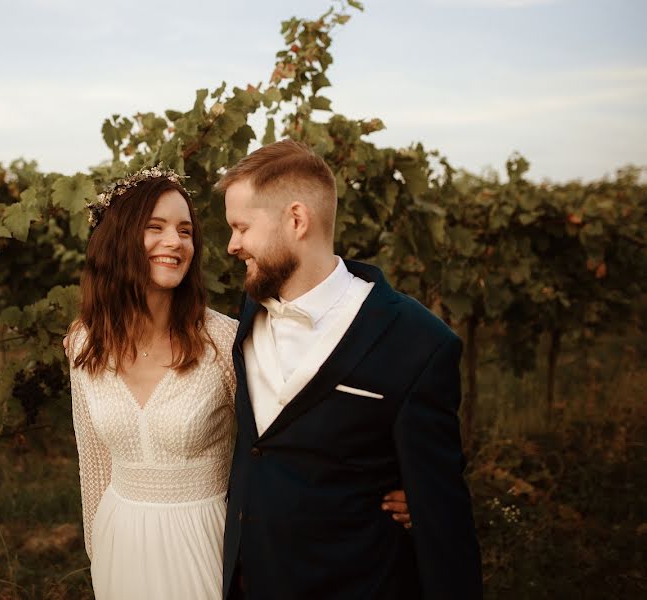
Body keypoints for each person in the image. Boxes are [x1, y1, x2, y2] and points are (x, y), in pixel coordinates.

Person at [65, 166, 412, 600]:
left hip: (205, 543)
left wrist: (402, 484)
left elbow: (294, 440)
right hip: (121, 545)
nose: (175, 242)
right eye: (155, 228)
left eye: (185, 230)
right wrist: (101, 555)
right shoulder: (83, 342)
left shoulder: (224, 341)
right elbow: (94, 464)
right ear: (117, 241)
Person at [218, 140, 482, 600]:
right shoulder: (250, 312)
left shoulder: (418, 343)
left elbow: (444, 521)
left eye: (241, 227)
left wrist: (423, 502)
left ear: (296, 220)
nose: (231, 245)